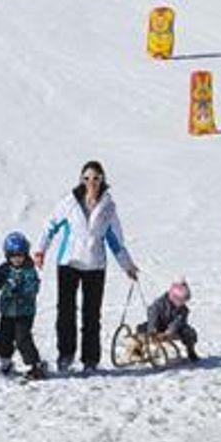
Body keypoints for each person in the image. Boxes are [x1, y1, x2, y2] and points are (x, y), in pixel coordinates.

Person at [34, 159, 139, 373]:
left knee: (92, 315)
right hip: (69, 263)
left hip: (95, 266)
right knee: (66, 312)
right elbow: (50, 226)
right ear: (81, 179)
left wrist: (127, 265)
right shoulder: (70, 203)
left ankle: (90, 359)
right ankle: (66, 355)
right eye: (87, 178)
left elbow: (115, 241)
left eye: (96, 178)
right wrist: (40, 250)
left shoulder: (108, 207)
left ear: (102, 180)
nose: (91, 182)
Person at [0, 232, 47, 380]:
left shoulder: (29, 270)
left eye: (20, 255)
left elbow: (33, 287)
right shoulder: (4, 269)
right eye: (13, 256)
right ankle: (6, 361)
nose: (17, 259)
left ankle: (35, 364)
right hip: (7, 311)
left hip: (24, 312)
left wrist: (21, 292)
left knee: (22, 339)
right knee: (3, 338)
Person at [144, 279, 200, 362]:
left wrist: (169, 332)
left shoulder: (183, 310)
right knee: (141, 329)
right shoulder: (159, 304)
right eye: (181, 301)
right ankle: (142, 350)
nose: (183, 303)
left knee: (189, 332)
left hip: (174, 330)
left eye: (184, 301)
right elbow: (153, 316)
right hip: (158, 326)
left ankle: (190, 350)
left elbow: (178, 322)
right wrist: (153, 330)